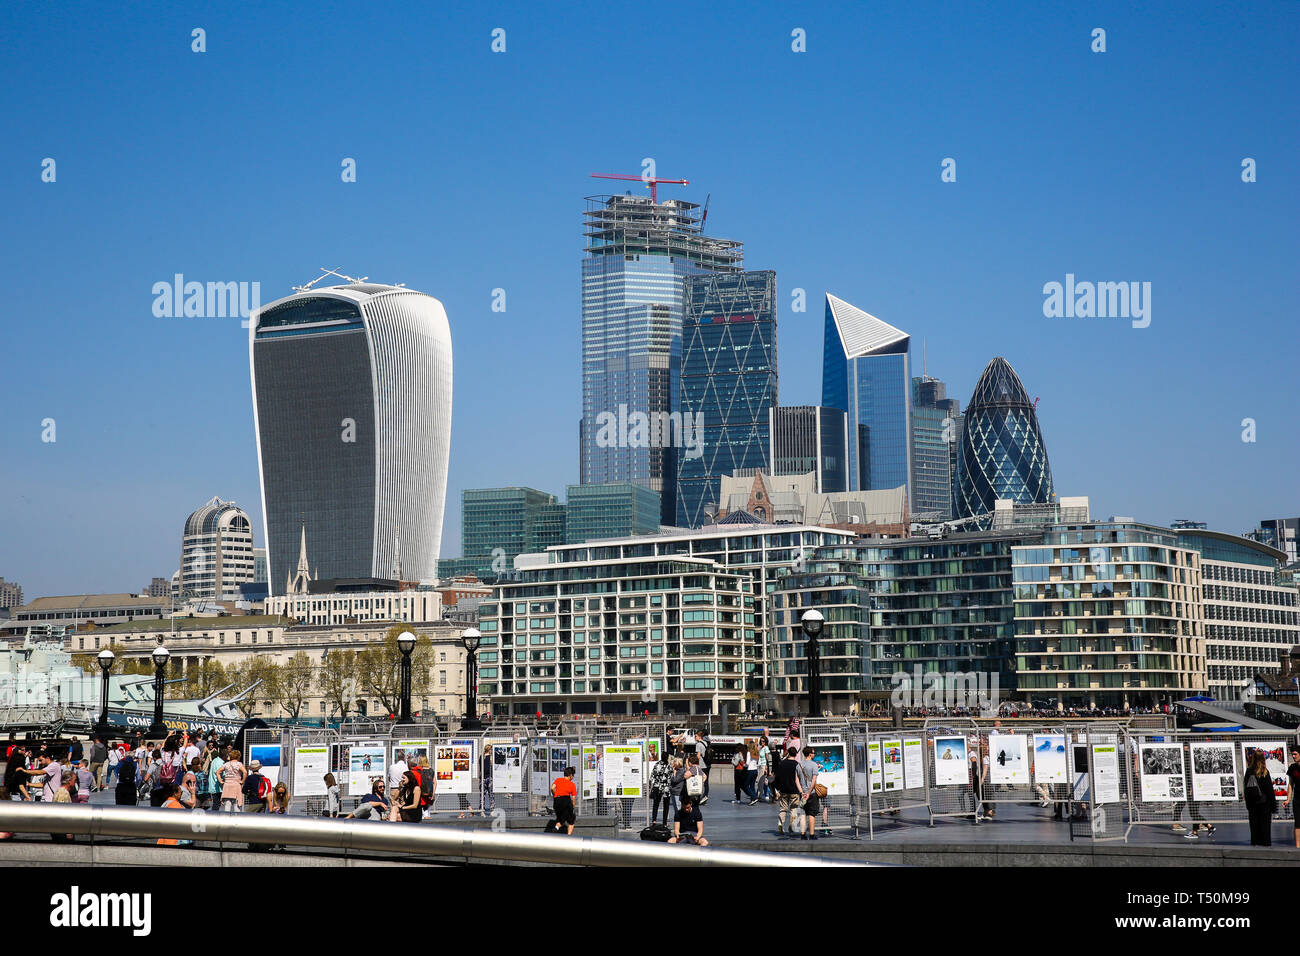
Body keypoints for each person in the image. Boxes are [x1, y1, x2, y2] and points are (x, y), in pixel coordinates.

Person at [1244, 750, 1276, 847]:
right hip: (1264, 802)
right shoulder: (1265, 772)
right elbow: (1269, 790)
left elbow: (1246, 788)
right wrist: (1273, 805)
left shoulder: (1249, 771)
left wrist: (1248, 804)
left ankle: (1255, 841)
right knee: (1265, 825)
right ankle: (1265, 842)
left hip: (1252, 803)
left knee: (1254, 824)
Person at [773, 746, 803, 838]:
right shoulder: (797, 764)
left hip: (783, 790)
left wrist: (777, 788)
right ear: (796, 754)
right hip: (794, 790)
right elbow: (800, 778)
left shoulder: (782, 764)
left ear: (788, 753)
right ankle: (791, 825)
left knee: (783, 808)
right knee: (793, 808)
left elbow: (777, 777)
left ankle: (780, 823)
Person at [797, 747, 821, 841]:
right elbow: (814, 781)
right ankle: (811, 834)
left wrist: (802, 792)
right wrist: (808, 792)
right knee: (811, 814)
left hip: (802, 793)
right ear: (810, 754)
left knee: (803, 814)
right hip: (812, 794)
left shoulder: (799, 765)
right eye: (813, 753)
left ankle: (802, 835)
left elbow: (796, 780)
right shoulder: (814, 765)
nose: (814, 754)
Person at [551, 766, 578, 834]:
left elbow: (552, 788)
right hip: (566, 801)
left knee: (561, 819)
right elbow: (573, 798)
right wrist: (573, 806)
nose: (573, 777)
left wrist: (555, 795)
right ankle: (568, 837)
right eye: (573, 775)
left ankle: (556, 828)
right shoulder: (572, 784)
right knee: (571, 821)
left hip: (557, 801)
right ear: (571, 775)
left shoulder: (558, 780)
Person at [648, 751, 672, 826]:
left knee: (656, 804)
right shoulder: (669, 766)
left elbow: (652, 776)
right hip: (666, 787)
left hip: (657, 786)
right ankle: (664, 822)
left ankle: (654, 820)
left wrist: (650, 785)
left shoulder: (657, 764)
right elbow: (671, 777)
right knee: (666, 805)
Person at [1284, 746, 1300, 850]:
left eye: (1295, 754)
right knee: (1298, 823)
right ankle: (1298, 846)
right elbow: (1290, 784)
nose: (1293, 756)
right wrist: (1288, 799)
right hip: (1297, 799)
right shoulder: (1292, 767)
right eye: (1292, 754)